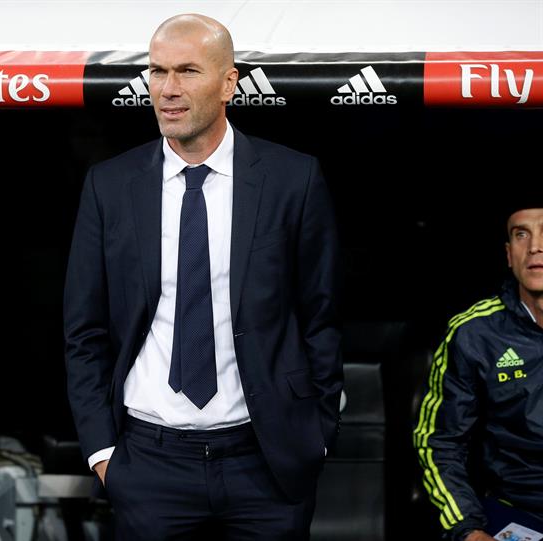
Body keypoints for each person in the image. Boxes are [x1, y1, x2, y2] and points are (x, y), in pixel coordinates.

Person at [64, 13, 342, 540]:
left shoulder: (292, 179)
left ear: (228, 83)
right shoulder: (110, 186)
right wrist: (103, 453)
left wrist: (317, 434)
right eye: (157, 72)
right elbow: (85, 330)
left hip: (266, 464)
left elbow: (320, 316)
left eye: (188, 71)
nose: (168, 89)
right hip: (148, 464)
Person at [414, 203, 543, 541]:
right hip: (517, 511)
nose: (535, 247)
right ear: (508, 254)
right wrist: (468, 529)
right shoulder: (474, 333)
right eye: (521, 234)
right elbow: (438, 442)